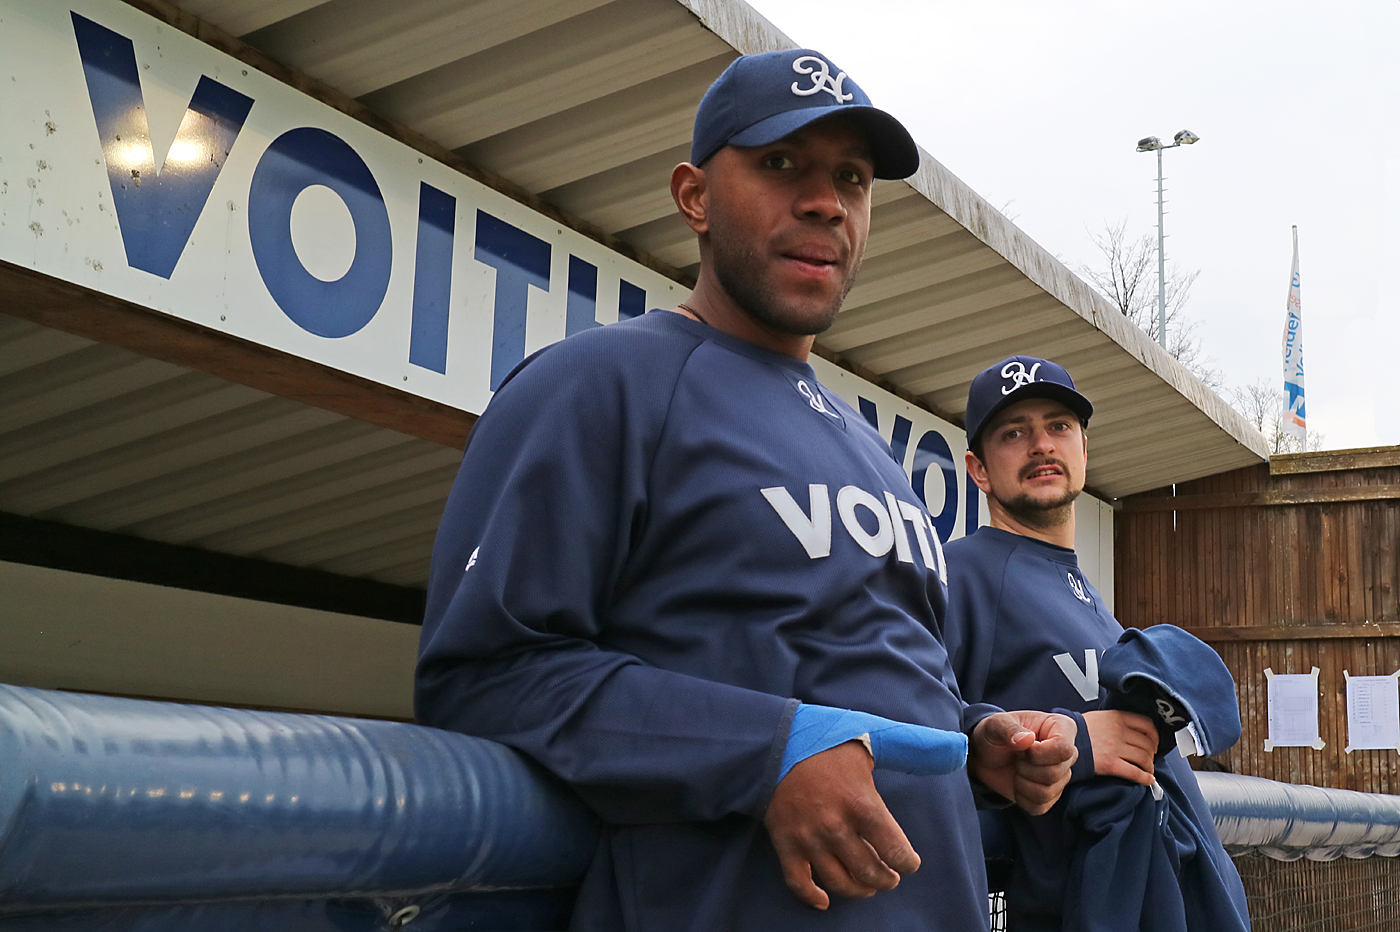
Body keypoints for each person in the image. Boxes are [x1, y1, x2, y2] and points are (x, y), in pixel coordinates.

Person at [416, 50, 1077, 931]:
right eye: (780, 164)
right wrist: (760, 753)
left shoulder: (871, 450)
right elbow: (484, 673)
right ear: (694, 196)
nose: (824, 201)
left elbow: (871, 683)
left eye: (851, 177)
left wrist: (978, 740)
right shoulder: (601, 383)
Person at [942, 356, 1249, 931]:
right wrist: (1078, 738)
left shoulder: (1088, 597)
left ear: (1084, 448)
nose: (1040, 445)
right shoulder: (961, 572)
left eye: (1058, 426)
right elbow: (909, 724)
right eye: (1013, 433)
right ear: (978, 469)